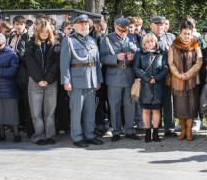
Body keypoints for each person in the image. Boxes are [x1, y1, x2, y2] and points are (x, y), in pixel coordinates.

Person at [60, 14, 103, 148]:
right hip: (76, 81)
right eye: (81, 23)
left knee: (90, 111)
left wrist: (98, 79)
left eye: (86, 23)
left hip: (91, 79)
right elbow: (64, 63)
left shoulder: (91, 40)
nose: (85, 25)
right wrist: (66, 81)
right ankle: (77, 137)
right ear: (74, 25)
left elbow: (97, 63)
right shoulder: (69, 41)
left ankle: (89, 135)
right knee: (77, 111)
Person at [100, 17, 140, 141]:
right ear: (115, 26)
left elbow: (138, 52)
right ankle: (116, 131)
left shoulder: (133, 37)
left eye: (125, 30)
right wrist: (115, 57)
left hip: (129, 74)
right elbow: (102, 58)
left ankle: (129, 130)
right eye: (121, 30)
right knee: (114, 105)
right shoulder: (107, 39)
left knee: (130, 105)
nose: (123, 32)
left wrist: (133, 56)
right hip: (114, 75)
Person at [24, 18, 61, 146]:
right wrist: (39, 79)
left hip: (51, 83)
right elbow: (30, 63)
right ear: (37, 32)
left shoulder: (56, 44)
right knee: (36, 111)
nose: (44, 34)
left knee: (50, 111)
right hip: (35, 82)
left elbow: (56, 64)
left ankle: (50, 135)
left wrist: (48, 79)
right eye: (41, 32)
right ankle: (38, 135)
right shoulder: (30, 44)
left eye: (46, 32)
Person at [168, 18, 203, 141]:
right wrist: (178, 75)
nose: (187, 36)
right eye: (184, 33)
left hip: (192, 81)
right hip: (178, 81)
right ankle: (182, 129)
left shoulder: (195, 45)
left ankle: (189, 130)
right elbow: (171, 63)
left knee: (191, 107)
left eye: (189, 33)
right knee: (180, 107)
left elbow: (199, 62)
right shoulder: (173, 45)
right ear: (180, 32)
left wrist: (188, 74)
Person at [134, 33, 169, 142]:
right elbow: (136, 68)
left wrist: (156, 78)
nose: (150, 44)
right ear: (144, 43)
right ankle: (147, 133)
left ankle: (156, 133)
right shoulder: (140, 54)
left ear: (156, 42)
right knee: (146, 110)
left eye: (152, 41)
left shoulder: (161, 54)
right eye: (148, 42)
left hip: (158, 86)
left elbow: (165, 68)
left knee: (156, 110)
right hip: (145, 86)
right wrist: (147, 78)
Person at [151, 15, 177, 137]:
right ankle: (153, 127)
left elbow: (176, 56)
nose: (159, 28)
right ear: (151, 26)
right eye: (156, 25)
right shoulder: (146, 37)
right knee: (153, 101)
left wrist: (168, 50)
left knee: (169, 101)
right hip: (153, 75)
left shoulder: (171, 37)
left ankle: (169, 128)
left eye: (161, 25)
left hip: (167, 75)